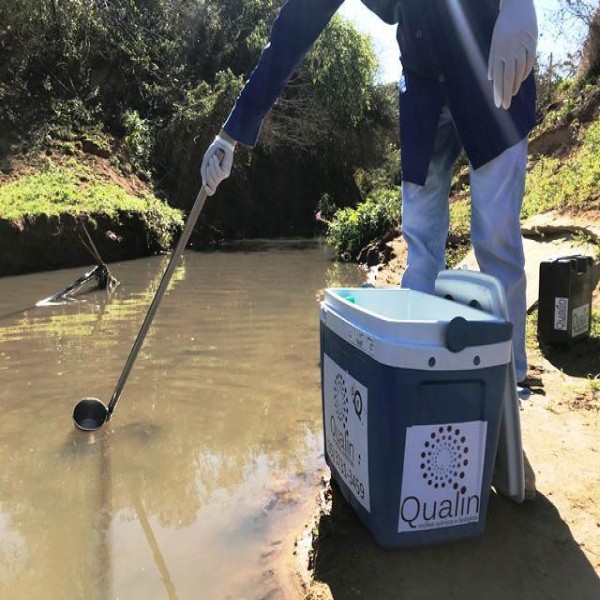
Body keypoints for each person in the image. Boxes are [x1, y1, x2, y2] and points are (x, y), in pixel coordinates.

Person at [201, 0, 538, 383]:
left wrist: (517, 3)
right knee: (421, 244)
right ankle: (420, 369)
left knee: (495, 235)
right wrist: (230, 133)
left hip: (492, 58)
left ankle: (508, 379)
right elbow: (293, 29)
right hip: (423, 79)